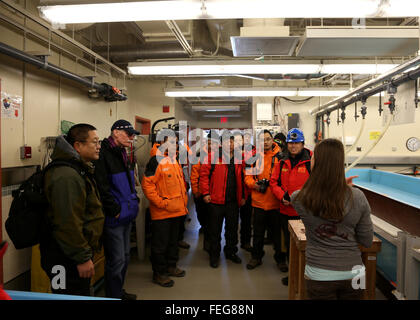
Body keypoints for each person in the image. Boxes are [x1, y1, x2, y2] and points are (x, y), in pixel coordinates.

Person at [291, 138, 373, 300]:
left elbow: (317, 193)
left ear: (317, 164)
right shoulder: (358, 197)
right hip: (354, 274)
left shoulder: (299, 198)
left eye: (313, 157)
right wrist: (345, 189)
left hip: (319, 274)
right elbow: (367, 241)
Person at [40, 123, 104, 296]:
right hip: (63, 257)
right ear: (78, 145)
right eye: (95, 142)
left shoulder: (77, 170)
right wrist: (82, 258)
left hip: (72, 254)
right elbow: (67, 222)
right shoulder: (66, 176)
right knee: (65, 295)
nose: (99, 147)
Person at [94, 119, 139, 300]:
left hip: (127, 214)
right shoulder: (103, 154)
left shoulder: (122, 152)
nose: (131, 138)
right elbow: (102, 187)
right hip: (115, 217)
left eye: (133, 135)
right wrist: (114, 210)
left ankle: (118, 291)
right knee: (117, 259)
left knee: (126, 257)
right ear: (116, 133)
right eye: (128, 134)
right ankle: (112, 296)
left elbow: (129, 182)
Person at [142, 131, 188, 287]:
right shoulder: (156, 160)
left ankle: (171, 266)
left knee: (173, 242)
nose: (174, 145)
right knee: (160, 245)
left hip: (177, 210)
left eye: (176, 142)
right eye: (171, 142)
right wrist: (161, 203)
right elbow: (147, 185)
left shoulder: (174, 159)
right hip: (163, 212)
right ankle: (159, 273)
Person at [270, 128, 312, 285]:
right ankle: (293, 274)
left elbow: (316, 184)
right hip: (286, 211)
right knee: (290, 245)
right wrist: (282, 196)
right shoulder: (281, 161)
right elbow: (273, 182)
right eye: (290, 143)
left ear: (302, 144)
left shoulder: (311, 160)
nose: (293, 146)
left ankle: (307, 275)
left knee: (307, 245)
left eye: (296, 143)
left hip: (306, 213)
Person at [200, 130, 245, 268]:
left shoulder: (240, 158)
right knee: (215, 231)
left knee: (232, 230)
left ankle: (231, 252)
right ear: (221, 143)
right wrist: (205, 193)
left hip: (233, 202)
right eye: (226, 141)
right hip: (215, 202)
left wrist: (243, 196)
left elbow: (243, 179)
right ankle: (214, 255)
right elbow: (203, 176)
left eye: (231, 141)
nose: (229, 144)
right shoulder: (212, 157)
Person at [245, 130, 284, 270]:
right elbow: (247, 176)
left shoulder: (281, 156)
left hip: (276, 203)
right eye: (262, 140)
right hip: (259, 202)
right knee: (257, 233)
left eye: (268, 139)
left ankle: (280, 260)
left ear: (272, 140)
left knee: (277, 235)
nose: (265, 142)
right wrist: (254, 185)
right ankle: (256, 257)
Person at [190, 130, 220, 252]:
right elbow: (194, 175)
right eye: (209, 142)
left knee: (212, 221)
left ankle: (209, 243)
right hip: (201, 193)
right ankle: (203, 226)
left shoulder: (221, 156)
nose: (210, 145)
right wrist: (196, 191)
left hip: (214, 194)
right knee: (202, 215)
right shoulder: (199, 155)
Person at [234, 132, 253, 252]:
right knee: (232, 221)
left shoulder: (250, 154)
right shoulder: (228, 155)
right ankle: (232, 245)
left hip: (247, 191)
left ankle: (245, 242)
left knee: (246, 220)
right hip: (233, 192)